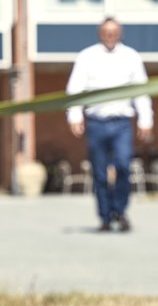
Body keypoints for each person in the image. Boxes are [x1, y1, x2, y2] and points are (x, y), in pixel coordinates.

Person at [65, 18, 153, 233]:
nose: (110, 35)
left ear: (120, 33)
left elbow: (141, 90)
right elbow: (75, 88)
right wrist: (74, 115)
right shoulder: (87, 56)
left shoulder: (131, 56)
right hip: (96, 123)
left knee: (124, 166)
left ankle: (120, 211)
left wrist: (145, 119)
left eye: (114, 32)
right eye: (106, 32)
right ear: (100, 33)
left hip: (122, 123)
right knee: (100, 173)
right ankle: (105, 217)